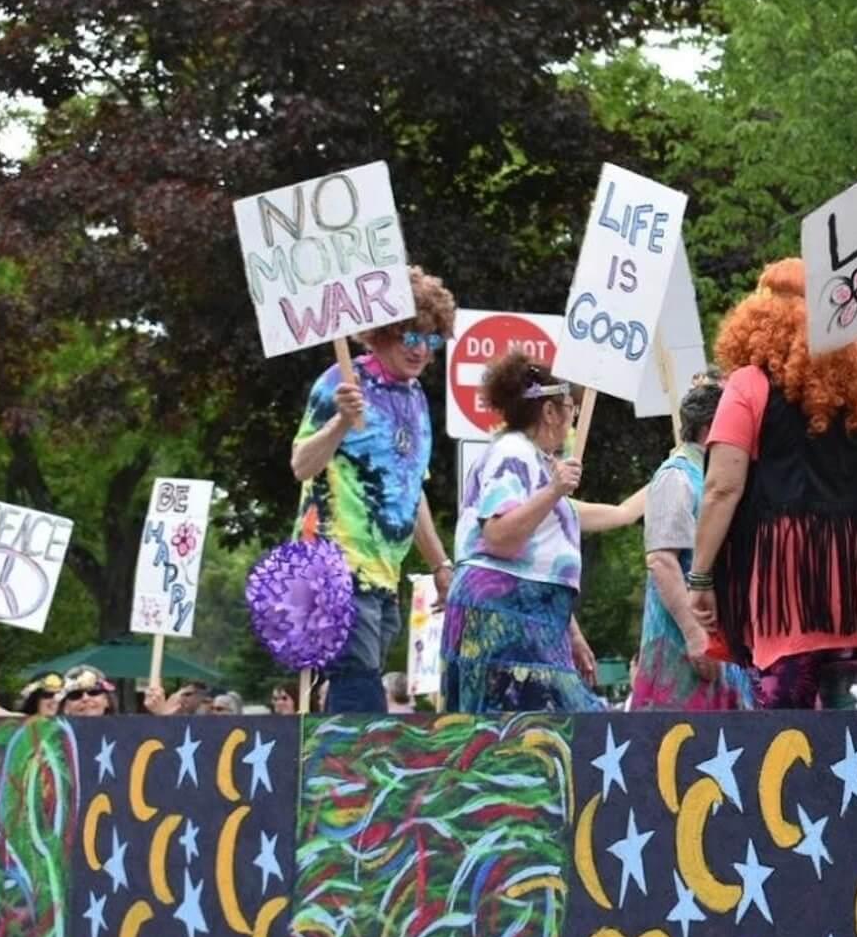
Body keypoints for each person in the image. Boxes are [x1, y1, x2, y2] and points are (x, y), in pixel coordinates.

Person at [688, 259, 857, 710]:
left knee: (785, 743)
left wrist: (701, 575)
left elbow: (722, 488)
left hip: (786, 597)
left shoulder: (748, 384)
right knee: (855, 749)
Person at [291, 268, 457, 714]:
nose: (421, 350)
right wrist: (341, 421)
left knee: (358, 679)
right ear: (382, 332)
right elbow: (301, 464)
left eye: (432, 340)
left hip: (385, 574)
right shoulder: (339, 384)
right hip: (334, 567)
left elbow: (410, 490)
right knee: (360, 686)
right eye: (410, 336)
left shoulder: (416, 398)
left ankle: (330, 773)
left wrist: (440, 563)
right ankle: (352, 779)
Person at [442, 354, 644, 713]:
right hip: (504, 617)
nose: (574, 418)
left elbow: (579, 521)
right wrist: (553, 491)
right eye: (571, 408)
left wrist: (572, 632)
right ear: (549, 412)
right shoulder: (512, 453)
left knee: (538, 730)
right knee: (542, 728)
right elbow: (500, 537)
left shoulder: (534, 463)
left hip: (530, 615)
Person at [631, 382, 754, 712]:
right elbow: (661, 560)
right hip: (682, 652)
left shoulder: (714, 476)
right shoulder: (676, 476)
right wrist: (695, 634)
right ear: (711, 428)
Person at [54, 665, 118, 937]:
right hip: (65, 851)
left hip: (116, 852)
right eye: (75, 695)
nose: (86, 700)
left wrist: (162, 714)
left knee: (105, 936)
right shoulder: (51, 738)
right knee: (77, 935)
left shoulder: (132, 734)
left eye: (94, 691)